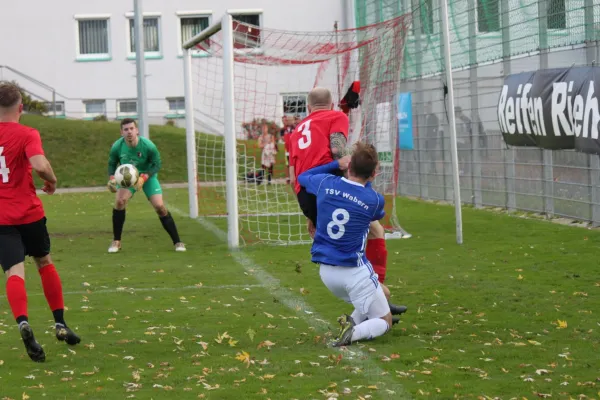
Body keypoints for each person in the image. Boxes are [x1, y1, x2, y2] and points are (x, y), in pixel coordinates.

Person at [288, 87, 407, 321]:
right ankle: (378, 294)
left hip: (307, 190)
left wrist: (310, 214)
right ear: (331, 105)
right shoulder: (336, 116)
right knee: (374, 229)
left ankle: (375, 297)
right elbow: (337, 150)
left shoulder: (296, 131)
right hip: (329, 180)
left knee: (346, 240)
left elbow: (294, 177)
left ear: (308, 108)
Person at [0, 81, 80, 362]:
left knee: (14, 273)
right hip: (29, 213)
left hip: (1, 218)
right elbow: (39, 163)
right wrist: (52, 179)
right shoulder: (26, 133)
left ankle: (23, 321)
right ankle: (60, 323)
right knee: (44, 262)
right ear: (20, 108)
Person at [297, 143, 391, 346]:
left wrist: (334, 164)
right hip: (353, 272)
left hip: (327, 273)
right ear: (374, 174)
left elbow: (302, 178)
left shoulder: (325, 182)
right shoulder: (375, 199)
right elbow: (373, 212)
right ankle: (353, 332)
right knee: (385, 321)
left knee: (384, 293)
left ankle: (351, 324)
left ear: (348, 167)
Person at [107, 118, 186, 253]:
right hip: (128, 178)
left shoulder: (148, 146)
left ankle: (178, 242)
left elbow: (157, 164)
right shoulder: (117, 147)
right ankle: (116, 241)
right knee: (120, 202)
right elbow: (112, 163)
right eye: (126, 129)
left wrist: (144, 177)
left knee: (160, 207)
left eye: (132, 129)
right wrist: (112, 179)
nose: (129, 132)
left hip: (147, 177)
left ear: (137, 130)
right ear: (121, 132)